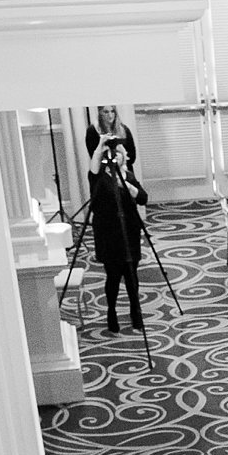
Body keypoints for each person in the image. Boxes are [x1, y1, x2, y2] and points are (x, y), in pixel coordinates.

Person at [88, 137, 150, 334]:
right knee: (113, 276)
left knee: (132, 276)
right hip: (108, 234)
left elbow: (143, 198)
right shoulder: (99, 177)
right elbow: (94, 167)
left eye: (121, 153)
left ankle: (135, 310)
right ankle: (112, 311)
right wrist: (100, 146)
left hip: (129, 231)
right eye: (115, 153)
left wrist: (128, 187)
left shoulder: (128, 177)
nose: (119, 156)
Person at [86, 102, 137, 173]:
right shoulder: (93, 131)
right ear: (100, 112)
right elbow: (94, 157)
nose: (110, 115)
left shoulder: (124, 129)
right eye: (106, 112)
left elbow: (132, 156)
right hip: (104, 174)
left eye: (112, 111)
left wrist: (121, 159)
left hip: (125, 172)